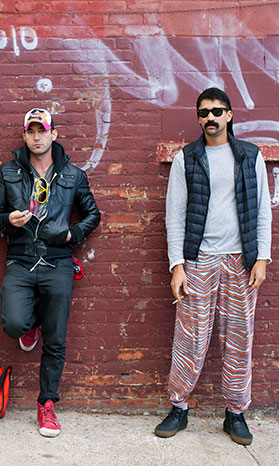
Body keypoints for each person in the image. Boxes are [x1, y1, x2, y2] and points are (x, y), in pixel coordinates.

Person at [155, 88, 272, 445]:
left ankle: (235, 413)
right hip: (198, 260)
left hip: (241, 260)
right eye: (204, 112)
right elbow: (174, 214)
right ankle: (179, 407)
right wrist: (177, 265)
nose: (211, 118)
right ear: (198, 118)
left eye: (217, 111)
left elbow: (262, 210)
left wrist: (262, 258)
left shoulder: (250, 156)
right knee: (190, 337)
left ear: (229, 115)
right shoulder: (187, 158)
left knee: (238, 339)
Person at [0, 108, 100, 437]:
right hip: (21, 259)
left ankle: (46, 404)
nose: (37, 137)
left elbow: (93, 214)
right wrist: (8, 220)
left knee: (56, 337)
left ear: (54, 134)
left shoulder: (73, 175)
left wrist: (72, 235)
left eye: (42, 131)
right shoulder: (8, 172)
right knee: (13, 323)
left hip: (58, 260)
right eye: (31, 131)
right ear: (24, 135)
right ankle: (32, 323)